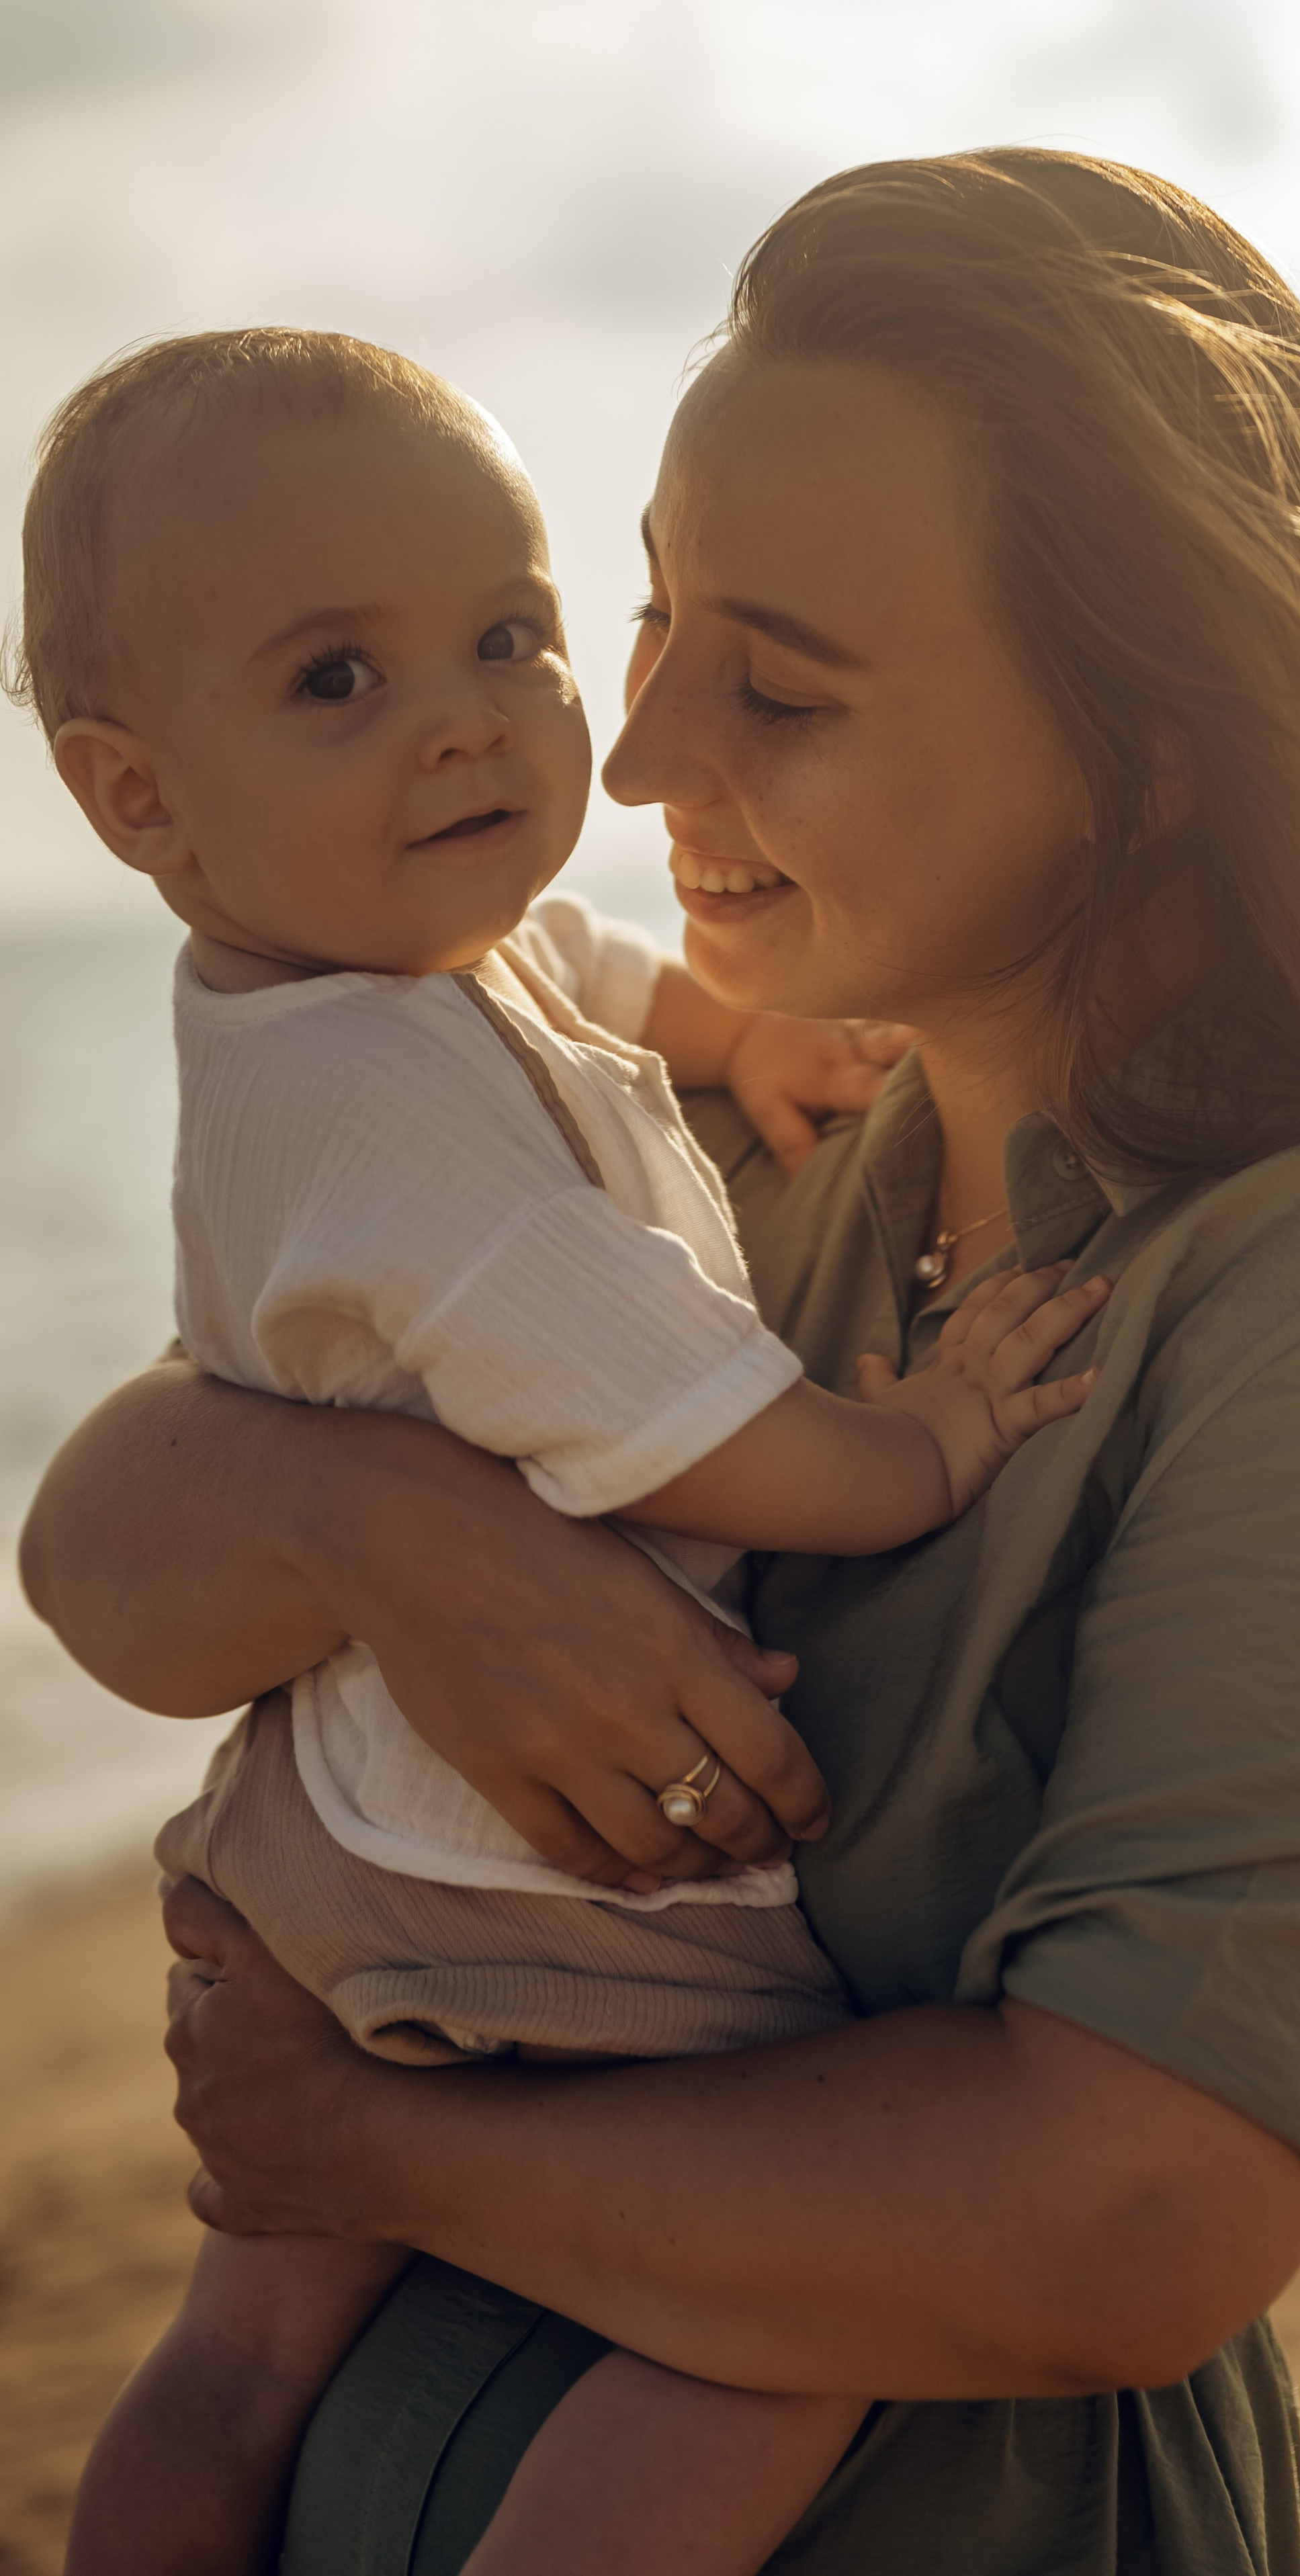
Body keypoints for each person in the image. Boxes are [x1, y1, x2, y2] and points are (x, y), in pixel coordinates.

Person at [20, 151, 1300, 2574]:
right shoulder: (734, 1106)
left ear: (1145, 753)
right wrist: (381, 1528)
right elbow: (98, 1568)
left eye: (780, 682)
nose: (626, 755)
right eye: (648, 619)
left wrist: (374, 2146)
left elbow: (1126, 2218)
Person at [15, 327, 1107, 2576]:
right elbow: (682, 1420)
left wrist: (727, 1030)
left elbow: (582, 966)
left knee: (236, 2351)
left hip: (333, 1821)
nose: (467, 716)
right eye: (336, 678)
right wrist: (922, 1435)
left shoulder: (367, 960)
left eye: (507, 634)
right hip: (515, 1859)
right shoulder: (400, 1140)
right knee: (779, 2319)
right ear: (135, 799)